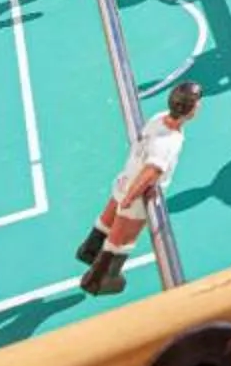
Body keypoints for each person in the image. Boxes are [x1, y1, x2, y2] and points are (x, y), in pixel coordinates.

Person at [78, 79, 200, 296]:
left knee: (109, 219)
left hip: (126, 176)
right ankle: (100, 279)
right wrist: (131, 197)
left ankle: (91, 250)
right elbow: (152, 171)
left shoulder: (158, 119)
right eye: (197, 103)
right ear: (189, 109)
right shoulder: (171, 141)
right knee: (122, 238)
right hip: (136, 192)